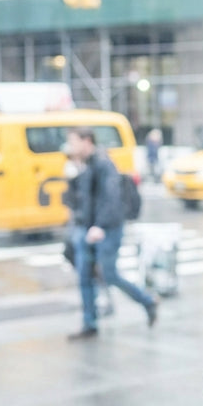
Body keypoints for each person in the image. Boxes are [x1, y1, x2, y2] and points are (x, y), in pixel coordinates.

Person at [65, 127, 159, 338]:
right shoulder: (85, 164)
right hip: (87, 228)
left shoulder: (103, 163)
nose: (70, 147)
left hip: (106, 229)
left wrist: (99, 225)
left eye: (73, 142)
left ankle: (147, 300)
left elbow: (111, 198)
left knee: (109, 274)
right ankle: (90, 323)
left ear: (86, 141)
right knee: (85, 276)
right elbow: (79, 199)